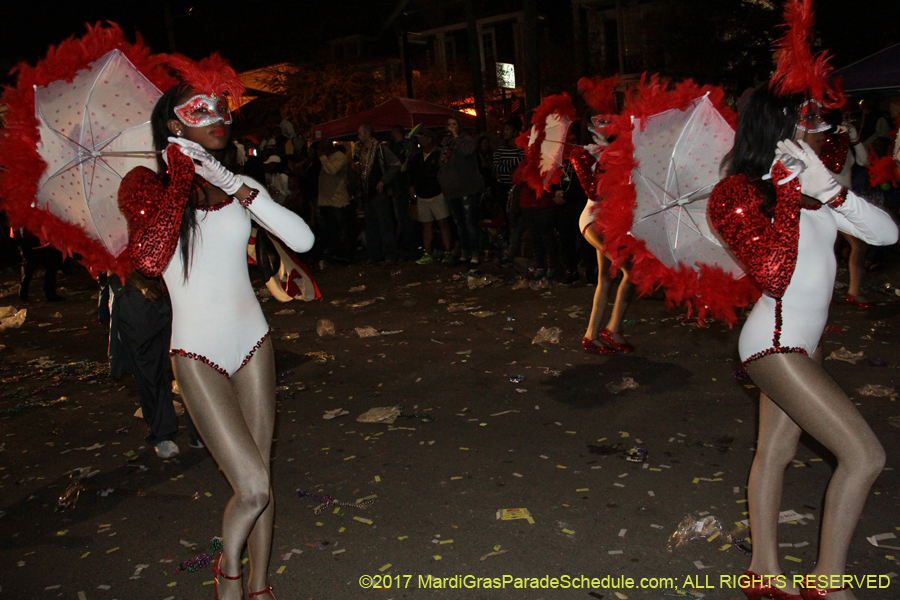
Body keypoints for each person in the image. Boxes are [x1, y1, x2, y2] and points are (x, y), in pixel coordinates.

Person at [118, 58, 314, 600]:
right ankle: (227, 573)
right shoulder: (142, 185)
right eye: (200, 108)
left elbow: (303, 242)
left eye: (222, 106)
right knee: (249, 488)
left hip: (253, 341)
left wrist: (234, 184)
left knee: (264, 480)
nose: (219, 116)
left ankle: (257, 588)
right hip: (196, 352)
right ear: (173, 125)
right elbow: (151, 258)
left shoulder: (239, 183)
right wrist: (182, 173)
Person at [707, 85, 897, 600]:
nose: (819, 129)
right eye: (807, 119)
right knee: (865, 457)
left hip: (804, 344)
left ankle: (764, 571)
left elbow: (886, 235)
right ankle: (829, 586)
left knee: (775, 451)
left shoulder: (812, 184)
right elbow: (773, 273)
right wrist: (791, 192)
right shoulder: (737, 193)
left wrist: (830, 190)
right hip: (773, 343)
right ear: (778, 126)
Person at [104, 270, 203, 458]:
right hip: (136, 296)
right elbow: (108, 256)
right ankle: (163, 434)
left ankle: (199, 430)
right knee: (149, 369)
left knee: (191, 361)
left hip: (176, 287)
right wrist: (141, 284)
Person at [570, 120, 635, 354]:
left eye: (607, 120)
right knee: (632, 272)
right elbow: (592, 191)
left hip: (612, 222)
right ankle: (613, 329)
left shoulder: (618, 152)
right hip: (593, 219)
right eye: (597, 120)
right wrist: (605, 159)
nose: (603, 124)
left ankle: (591, 335)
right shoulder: (581, 154)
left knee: (606, 279)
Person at [439, 114, 484, 264]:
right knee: (460, 224)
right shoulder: (447, 143)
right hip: (453, 190)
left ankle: (475, 254)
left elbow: (468, 152)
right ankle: (465, 252)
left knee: (470, 222)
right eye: (449, 124)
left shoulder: (466, 140)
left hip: (467, 188)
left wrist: (457, 137)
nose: (451, 127)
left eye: (454, 124)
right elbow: (443, 163)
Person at [355, 124, 401, 265]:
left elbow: (396, 164)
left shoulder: (380, 148)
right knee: (371, 226)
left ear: (366, 134)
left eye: (360, 133)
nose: (358, 136)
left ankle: (390, 255)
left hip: (379, 193)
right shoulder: (362, 151)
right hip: (368, 193)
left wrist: (383, 181)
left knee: (384, 225)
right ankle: (375, 254)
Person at [408, 128, 453, 264]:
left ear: (429, 139)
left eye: (421, 138)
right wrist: (412, 187)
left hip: (437, 193)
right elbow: (412, 174)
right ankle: (427, 252)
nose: (419, 141)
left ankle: (448, 251)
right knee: (426, 225)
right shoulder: (417, 157)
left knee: (443, 223)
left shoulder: (439, 154)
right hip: (422, 194)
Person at [317, 140, 354, 264]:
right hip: (325, 201)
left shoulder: (340, 157)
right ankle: (337, 255)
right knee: (332, 231)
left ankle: (346, 256)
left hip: (338, 200)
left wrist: (323, 158)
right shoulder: (323, 159)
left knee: (342, 231)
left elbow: (333, 170)